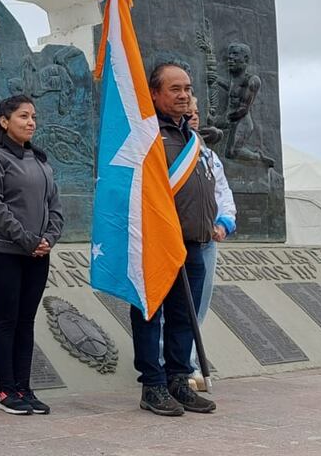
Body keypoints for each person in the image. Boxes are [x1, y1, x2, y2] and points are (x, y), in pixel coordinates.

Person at [130, 63, 217, 416]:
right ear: (154, 93)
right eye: (175, 89)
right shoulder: (147, 135)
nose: (184, 95)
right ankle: (152, 385)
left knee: (184, 316)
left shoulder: (191, 137)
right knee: (150, 315)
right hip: (157, 244)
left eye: (187, 88)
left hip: (193, 243)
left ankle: (178, 379)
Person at [0, 95, 63, 416]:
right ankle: (4, 390)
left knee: (26, 321)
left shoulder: (40, 160)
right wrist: (27, 239)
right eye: (23, 116)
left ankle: (23, 388)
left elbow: (55, 207)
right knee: (6, 320)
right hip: (1, 252)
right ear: (4, 121)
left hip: (36, 254)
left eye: (33, 117)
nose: (31, 122)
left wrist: (48, 239)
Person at [188, 97, 237, 386]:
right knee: (175, 306)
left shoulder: (208, 156)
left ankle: (189, 362)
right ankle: (170, 363)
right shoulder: (168, 149)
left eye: (196, 112)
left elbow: (223, 194)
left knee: (198, 306)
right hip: (180, 239)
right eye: (188, 112)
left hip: (207, 239)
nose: (194, 117)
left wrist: (223, 223)